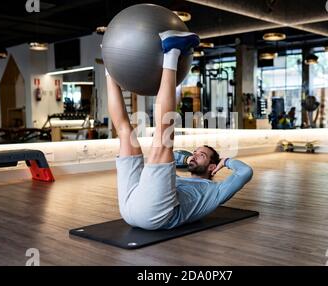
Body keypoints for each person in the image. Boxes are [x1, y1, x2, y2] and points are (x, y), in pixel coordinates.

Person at [106, 30, 253, 230]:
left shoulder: (216, 191)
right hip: (130, 207)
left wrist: (225, 161)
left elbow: (245, 172)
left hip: (155, 217)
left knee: (164, 134)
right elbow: (175, 158)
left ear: (212, 167)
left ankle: (172, 50)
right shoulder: (176, 178)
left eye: (201, 155)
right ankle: (109, 64)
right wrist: (186, 159)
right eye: (195, 152)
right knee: (125, 133)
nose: (194, 155)